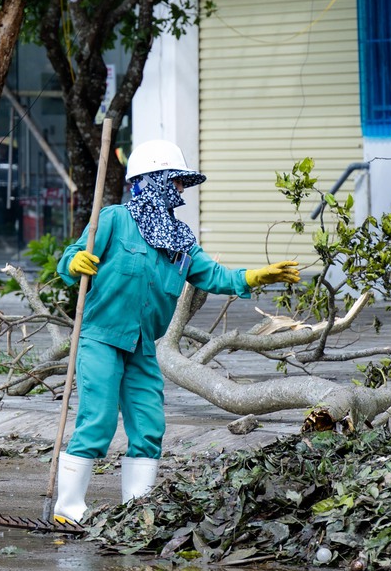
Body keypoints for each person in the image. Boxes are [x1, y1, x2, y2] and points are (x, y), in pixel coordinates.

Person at [51, 139, 299, 522]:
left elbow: (215, 275)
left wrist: (255, 275)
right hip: (101, 337)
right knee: (97, 419)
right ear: (151, 180)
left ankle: (137, 511)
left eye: (182, 183)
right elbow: (70, 257)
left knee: (149, 425)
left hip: (143, 346)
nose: (181, 190)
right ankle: (67, 509)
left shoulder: (180, 241)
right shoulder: (114, 220)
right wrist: (75, 262)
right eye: (176, 181)